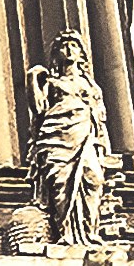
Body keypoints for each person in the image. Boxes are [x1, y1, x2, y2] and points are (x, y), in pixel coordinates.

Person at [26, 30, 114, 245]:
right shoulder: (51, 83)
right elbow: (38, 110)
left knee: (93, 178)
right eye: (63, 46)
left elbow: (99, 118)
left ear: (81, 53)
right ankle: (67, 233)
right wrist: (32, 80)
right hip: (56, 135)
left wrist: (102, 147)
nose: (68, 49)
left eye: (73, 45)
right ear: (56, 54)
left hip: (84, 134)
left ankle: (89, 232)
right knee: (60, 182)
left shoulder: (91, 86)